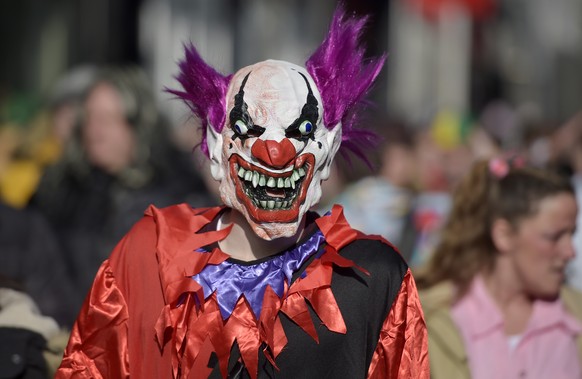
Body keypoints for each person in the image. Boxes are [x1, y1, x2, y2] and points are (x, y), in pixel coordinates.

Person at [55, 7, 429, 379]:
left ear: (328, 149)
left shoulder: (373, 277)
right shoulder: (149, 258)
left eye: (299, 130)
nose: (276, 152)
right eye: (249, 129)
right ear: (217, 147)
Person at [30, 66, 213, 315]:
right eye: (89, 119)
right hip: (66, 333)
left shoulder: (180, 194)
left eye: (107, 120)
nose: (95, 132)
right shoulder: (61, 190)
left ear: (138, 125)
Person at [417, 157, 582, 379]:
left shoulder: (574, 315)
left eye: (571, 234)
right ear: (503, 235)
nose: (570, 251)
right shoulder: (430, 321)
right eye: (554, 237)